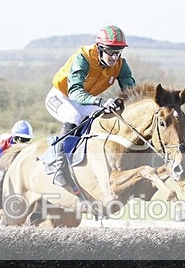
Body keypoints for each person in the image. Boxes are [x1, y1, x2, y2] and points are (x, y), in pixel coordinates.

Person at [44, 24, 137, 190]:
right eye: (110, 51)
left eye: (118, 51)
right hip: (61, 96)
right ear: (99, 48)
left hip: (85, 101)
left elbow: (132, 94)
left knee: (109, 117)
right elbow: (74, 93)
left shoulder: (121, 65)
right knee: (72, 117)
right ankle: (59, 166)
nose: (114, 57)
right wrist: (101, 102)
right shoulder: (83, 58)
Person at [0, 119, 34, 203]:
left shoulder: (18, 143)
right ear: (15, 137)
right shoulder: (1, 145)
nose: (25, 143)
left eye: (27, 140)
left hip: (3, 159)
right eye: (23, 140)